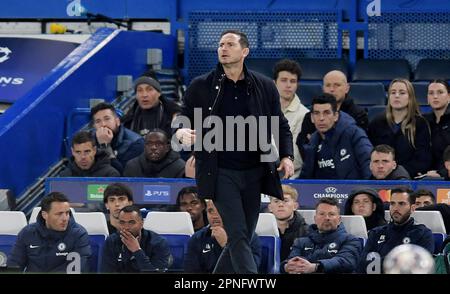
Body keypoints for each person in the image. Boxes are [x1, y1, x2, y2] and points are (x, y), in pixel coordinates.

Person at [175, 29, 294, 273]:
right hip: (219, 172)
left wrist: (286, 156)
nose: (223, 48)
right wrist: (180, 132)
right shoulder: (201, 85)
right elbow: (182, 117)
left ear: (245, 51)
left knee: (242, 237)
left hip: (255, 171)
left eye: (229, 44)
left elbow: (279, 123)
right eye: (220, 44)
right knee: (238, 233)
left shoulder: (265, 86)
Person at [357, 187, 434, 273]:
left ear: (412, 208)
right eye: (392, 203)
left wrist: (378, 262)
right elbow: (362, 266)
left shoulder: (423, 234)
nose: (395, 208)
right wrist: (399, 261)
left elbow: (421, 266)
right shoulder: (376, 233)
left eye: (401, 204)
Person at [8, 192, 91, 272]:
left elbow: (78, 270)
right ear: (45, 215)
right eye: (59, 214)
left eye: (67, 213)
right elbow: (14, 265)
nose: (65, 218)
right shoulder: (27, 233)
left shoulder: (78, 234)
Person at [299, 93, 373, 179]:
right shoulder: (313, 141)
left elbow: (369, 164)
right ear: (312, 117)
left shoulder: (354, 134)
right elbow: (305, 176)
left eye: (327, 113)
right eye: (316, 113)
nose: (321, 118)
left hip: (351, 191)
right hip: (320, 191)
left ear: (336, 116)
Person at [368, 79, 432, 178]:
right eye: (393, 93)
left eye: (402, 93)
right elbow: (370, 153)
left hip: (408, 178)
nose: (397, 96)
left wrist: (398, 172)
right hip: (380, 177)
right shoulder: (377, 122)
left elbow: (423, 159)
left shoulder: (420, 124)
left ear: (410, 97)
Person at [280, 198, 362, 274]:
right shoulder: (301, 242)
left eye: (331, 214)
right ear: (315, 218)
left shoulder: (351, 240)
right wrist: (286, 267)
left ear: (339, 219)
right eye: (322, 214)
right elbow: (290, 261)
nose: (326, 218)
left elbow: (345, 261)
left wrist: (315, 267)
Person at [296, 70, 368, 154]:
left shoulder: (358, 115)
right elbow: (303, 144)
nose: (332, 89)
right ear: (323, 88)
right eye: (328, 85)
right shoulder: (310, 116)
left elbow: (358, 146)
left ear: (347, 88)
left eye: (337, 85)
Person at [184, 200, 261, 273]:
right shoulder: (197, 238)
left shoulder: (249, 237)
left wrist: (226, 245)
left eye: (220, 210)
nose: (214, 216)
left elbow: (248, 271)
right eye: (210, 211)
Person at [101, 205, 172, 272]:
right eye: (122, 222)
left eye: (131, 222)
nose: (126, 227)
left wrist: (137, 251)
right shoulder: (111, 241)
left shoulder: (159, 243)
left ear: (141, 224)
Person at [273, 59, 309, 178]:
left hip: (292, 178)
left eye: (293, 81)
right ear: (274, 82)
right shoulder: (260, 109)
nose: (288, 85)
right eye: (284, 80)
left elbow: (297, 157)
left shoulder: (305, 115)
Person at [91, 102, 144, 174]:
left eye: (107, 119)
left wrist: (105, 146)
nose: (103, 124)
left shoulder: (136, 143)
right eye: (98, 121)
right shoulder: (90, 140)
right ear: (94, 126)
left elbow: (122, 174)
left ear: (117, 121)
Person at [267, 184, 308, 261]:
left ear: (295, 206)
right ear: (270, 207)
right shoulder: (260, 231)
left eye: (285, 201)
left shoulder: (307, 232)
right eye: (276, 201)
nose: (281, 204)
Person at [423, 79, 450, 171]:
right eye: (431, 93)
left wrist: (441, 172)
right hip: (427, 174)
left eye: (440, 92)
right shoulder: (423, 121)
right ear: (427, 98)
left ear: (449, 96)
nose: (435, 96)